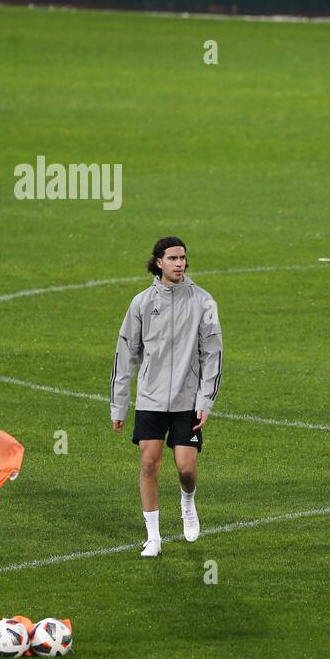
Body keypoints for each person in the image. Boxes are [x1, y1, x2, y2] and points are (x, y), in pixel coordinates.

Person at [110, 236, 224, 558]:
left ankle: (187, 501)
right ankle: (154, 537)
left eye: (183, 258)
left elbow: (213, 354)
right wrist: (119, 405)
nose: (179, 263)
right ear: (158, 262)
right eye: (172, 258)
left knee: (185, 468)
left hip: (187, 400)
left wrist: (205, 401)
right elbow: (125, 355)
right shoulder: (142, 303)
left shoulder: (203, 302)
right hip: (150, 398)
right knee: (149, 463)